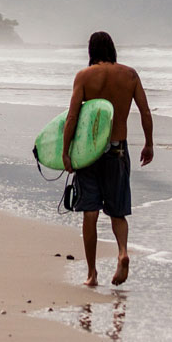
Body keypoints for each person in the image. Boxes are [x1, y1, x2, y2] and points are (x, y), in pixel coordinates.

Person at [61, 30, 153, 288]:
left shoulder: (84, 76)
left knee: (90, 213)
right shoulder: (130, 75)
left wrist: (65, 151)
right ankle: (122, 252)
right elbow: (145, 111)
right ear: (112, 49)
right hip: (117, 150)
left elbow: (72, 117)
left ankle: (92, 274)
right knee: (117, 211)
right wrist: (149, 144)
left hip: (89, 153)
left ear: (91, 51)